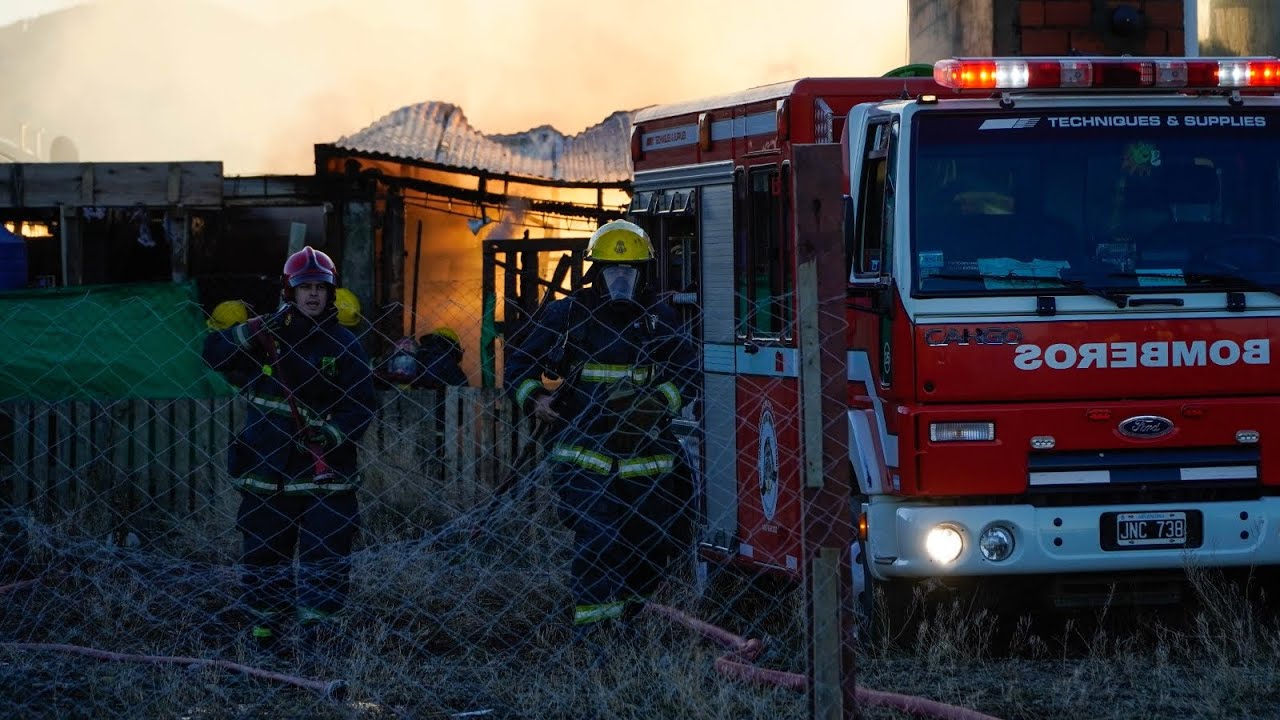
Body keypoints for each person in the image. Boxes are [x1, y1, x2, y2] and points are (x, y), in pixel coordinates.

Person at [505, 219, 696, 638]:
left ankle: (627, 623)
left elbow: (689, 370)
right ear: (595, 273)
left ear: (643, 274)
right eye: (611, 272)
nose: (620, 281)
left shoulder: (658, 318)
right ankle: (595, 638)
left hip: (647, 456)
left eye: (628, 273)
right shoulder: (567, 315)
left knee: (650, 546)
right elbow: (518, 363)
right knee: (599, 540)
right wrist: (537, 399)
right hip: (583, 452)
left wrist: (658, 401)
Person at [202, 246, 376, 652]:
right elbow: (212, 355)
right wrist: (251, 331)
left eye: (320, 287)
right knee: (263, 557)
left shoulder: (346, 345)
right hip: (266, 474)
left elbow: (362, 405)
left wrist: (330, 435)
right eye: (304, 287)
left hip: (325, 479)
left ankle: (319, 640)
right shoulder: (266, 335)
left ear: (331, 293)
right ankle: (265, 637)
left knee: (325, 561)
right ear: (289, 291)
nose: (313, 295)